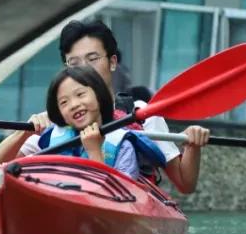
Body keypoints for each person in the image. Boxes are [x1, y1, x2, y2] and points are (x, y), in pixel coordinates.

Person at [12, 19, 211, 193]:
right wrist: (25, 132)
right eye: (74, 63)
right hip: (67, 194)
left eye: (93, 59)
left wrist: (192, 146)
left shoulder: (141, 112)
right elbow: (6, 169)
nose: (84, 69)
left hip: (129, 200)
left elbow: (185, 184)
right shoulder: (56, 117)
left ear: (112, 62)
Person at [0, 66, 167, 180]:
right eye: (64, 102)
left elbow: (119, 197)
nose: (74, 105)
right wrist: (24, 132)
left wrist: (94, 151)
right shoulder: (51, 138)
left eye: (80, 94)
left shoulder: (123, 145)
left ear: (99, 95)